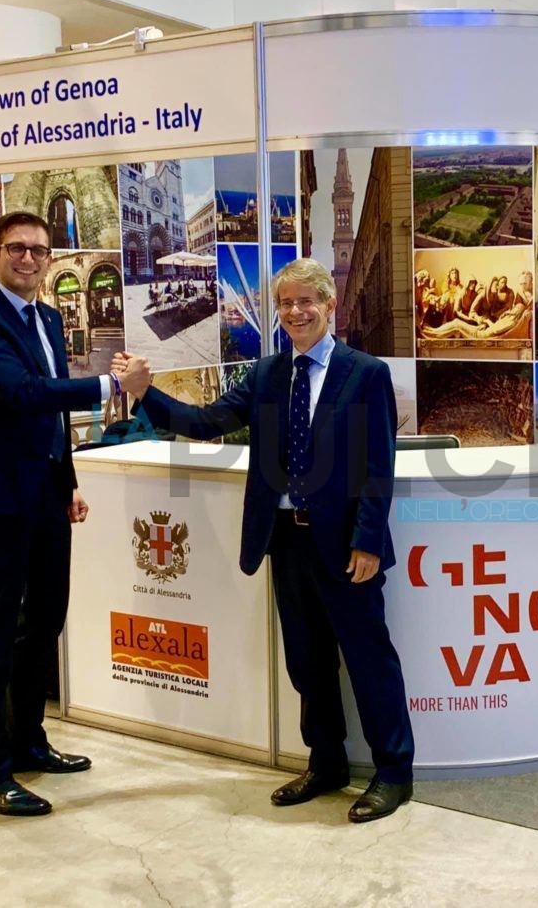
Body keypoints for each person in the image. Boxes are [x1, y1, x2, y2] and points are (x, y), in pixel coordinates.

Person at [116, 257, 414, 823]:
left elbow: (379, 466)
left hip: (346, 547)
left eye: (306, 301)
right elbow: (205, 422)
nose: (296, 312)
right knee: (307, 662)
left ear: (329, 305)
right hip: (285, 541)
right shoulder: (267, 374)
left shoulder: (365, 373)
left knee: (368, 661)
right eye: (286, 303)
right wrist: (145, 391)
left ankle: (395, 772)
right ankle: (326, 763)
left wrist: (368, 541)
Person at [0, 211, 150, 818]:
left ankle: (28, 739)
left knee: (46, 619)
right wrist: (113, 387)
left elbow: (52, 418)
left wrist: (68, 480)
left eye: (38, 250)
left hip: (44, 493)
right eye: (17, 248)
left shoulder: (49, 317)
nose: (28, 258)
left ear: (49, 257)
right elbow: (23, 393)